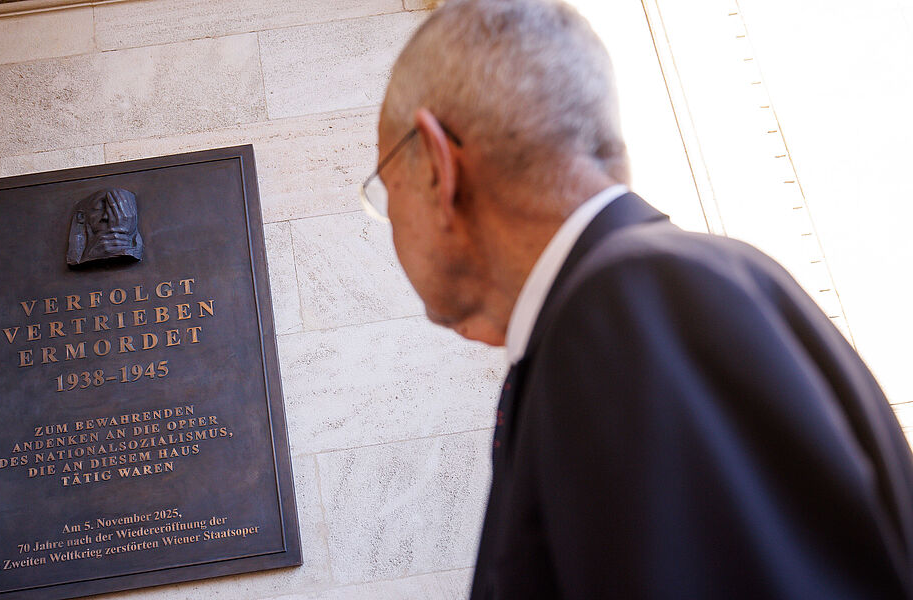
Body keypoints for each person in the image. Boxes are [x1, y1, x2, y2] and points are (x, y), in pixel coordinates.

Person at [363, 0, 913, 597]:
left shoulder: (627, 311)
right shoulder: (660, 293)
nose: (390, 226)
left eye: (386, 190)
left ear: (440, 167)